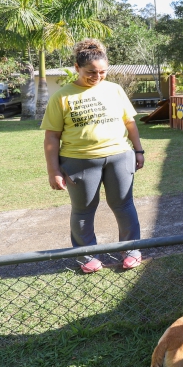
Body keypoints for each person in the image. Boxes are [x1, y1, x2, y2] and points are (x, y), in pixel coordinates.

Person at [41, 39, 145, 273]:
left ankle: (131, 249)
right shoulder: (62, 96)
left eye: (102, 72)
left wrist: (138, 150)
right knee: (84, 209)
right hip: (78, 161)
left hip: (119, 156)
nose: (97, 76)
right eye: (90, 72)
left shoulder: (115, 90)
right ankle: (86, 255)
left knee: (124, 204)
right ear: (77, 68)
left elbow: (129, 122)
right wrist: (53, 170)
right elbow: (51, 137)